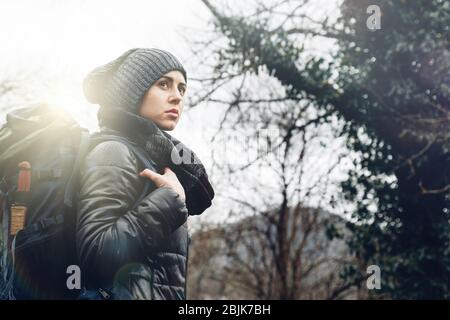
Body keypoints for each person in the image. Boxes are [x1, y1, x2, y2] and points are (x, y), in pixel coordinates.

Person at [78, 48, 214, 300]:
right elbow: (95, 253)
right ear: (132, 91)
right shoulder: (113, 152)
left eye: (181, 89)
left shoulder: (156, 159)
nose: (177, 97)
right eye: (164, 84)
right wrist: (169, 201)